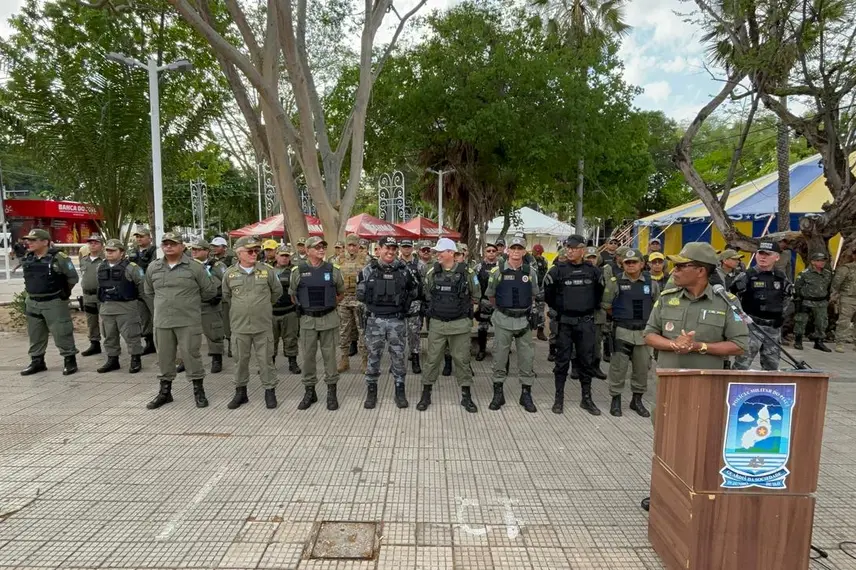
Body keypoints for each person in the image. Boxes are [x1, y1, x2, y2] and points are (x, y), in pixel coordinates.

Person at [144, 232, 218, 409]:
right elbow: (149, 291)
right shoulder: (153, 267)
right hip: (163, 322)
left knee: (191, 356)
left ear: (182, 246)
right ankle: (165, 392)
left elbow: (209, 291)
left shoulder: (195, 267)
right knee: (164, 357)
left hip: (188, 321)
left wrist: (188, 303)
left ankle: (198, 391)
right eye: (165, 244)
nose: (169, 247)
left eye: (173, 243)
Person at [543, 234, 604, 415]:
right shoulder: (557, 271)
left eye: (574, 248)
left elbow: (599, 294)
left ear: (582, 250)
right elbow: (549, 295)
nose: (570, 251)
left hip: (586, 323)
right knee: (561, 362)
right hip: (565, 323)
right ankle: (558, 398)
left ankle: (586, 398)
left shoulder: (593, 271)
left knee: (586, 361)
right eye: (568, 248)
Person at [417, 237, 480, 412]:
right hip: (438, 324)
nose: (436, 255)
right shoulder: (431, 272)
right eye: (436, 252)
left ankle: (466, 396)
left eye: (440, 252)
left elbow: (476, 295)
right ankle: (426, 394)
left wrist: (462, 310)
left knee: (462, 360)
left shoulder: (468, 273)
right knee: (432, 360)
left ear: (451, 253)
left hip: (460, 325)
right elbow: (427, 294)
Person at [357, 236, 419, 409]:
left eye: (393, 248)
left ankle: (400, 391)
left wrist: (405, 306)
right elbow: (360, 294)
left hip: (396, 320)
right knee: (373, 356)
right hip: (374, 320)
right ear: (379, 249)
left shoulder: (404, 270)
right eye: (387, 248)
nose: (390, 252)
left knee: (398, 357)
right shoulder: (368, 270)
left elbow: (415, 291)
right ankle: (371, 391)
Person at [222, 236, 283, 409]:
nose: (254, 254)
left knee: (266, 361)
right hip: (240, 326)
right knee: (240, 361)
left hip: (262, 325)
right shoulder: (229, 274)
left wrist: (261, 307)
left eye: (256, 251)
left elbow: (276, 292)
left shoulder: (267, 271)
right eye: (250, 251)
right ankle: (241, 393)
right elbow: (227, 296)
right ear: (239, 253)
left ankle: (269, 392)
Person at [484, 235, 539, 412]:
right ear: (508, 250)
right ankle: (498, 394)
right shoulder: (497, 271)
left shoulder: (530, 272)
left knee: (527, 358)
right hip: (503, 320)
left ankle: (526, 394)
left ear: (524, 251)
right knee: (500, 358)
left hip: (524, 321)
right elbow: (491, 296)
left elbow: (533, 294)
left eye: (519, 248)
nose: (516, 251)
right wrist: (503, 309)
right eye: (513, 248)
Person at [290, 236, 345, 410]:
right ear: (307, 250)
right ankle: (310, 392)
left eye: (323, 247)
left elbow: (340, 293)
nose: (321, 250)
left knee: (330, 358)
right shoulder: (297, 271)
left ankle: (331, 392)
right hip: (308, 321)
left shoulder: (333, 270)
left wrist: (328, 305)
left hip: (329, 319)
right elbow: (293, 296)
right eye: (317, 247)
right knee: (307, 358)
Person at [603, 249, 659, 417]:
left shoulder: (651, 283)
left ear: (642, 264)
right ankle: (616, 399)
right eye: (627, 262)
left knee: (642, 368)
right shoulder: (615, 282)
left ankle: (637, 400)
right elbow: (607, 306)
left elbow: (657, 307)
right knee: (618, 368)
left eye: (634, 262)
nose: (631, 265)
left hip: (644, 333)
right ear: (623, 264)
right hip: (622, 331)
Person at [19, 228, 79, 376]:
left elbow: (73, 278)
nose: (29, 243)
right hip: (33, 302)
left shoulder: (59, 258)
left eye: (33, 240)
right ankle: (37, 361)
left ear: (45, 242)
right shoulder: (29, 257)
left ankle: (69, 360)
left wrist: (64, 293)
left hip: (53, 302)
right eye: (28, 240)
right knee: (35, 334)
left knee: (62, 332)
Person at [731, 241, 793, 370]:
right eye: (760, 253)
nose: (763, 257)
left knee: (772, 368)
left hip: (773, 329)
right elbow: (732, 299)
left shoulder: (781, 277)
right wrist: (740, 319)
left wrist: (781, 315)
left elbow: (788, 297)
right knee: (741, 367)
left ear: (777, 257)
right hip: (751, 327)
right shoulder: (746, 276)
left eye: (767, 254)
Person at [96, 239, 150, 374]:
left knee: (132, 335)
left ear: (122, 253)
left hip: (127, 307)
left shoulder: (132, 268)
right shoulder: (100, 267)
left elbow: (142, 287)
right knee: (109, 336)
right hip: (107, 307)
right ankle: (112, 359)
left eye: (113, 251)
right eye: (107, 250)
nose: (109, 253)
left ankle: (135, 359)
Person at [190, 239, 227, 373]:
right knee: (188, 334)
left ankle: (217, 358)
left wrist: (219, 295)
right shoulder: (187, 265)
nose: (194, 252)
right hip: (191, 304)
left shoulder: (217, 266)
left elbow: (226, 282)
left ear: (206, 251)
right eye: (193, 249)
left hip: (210, 304)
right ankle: (186, 360)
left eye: (198, 249)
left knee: (214, 332)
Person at [336, 234, 368, 372]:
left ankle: (365, 361)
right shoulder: (339, 260)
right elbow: (335, 279)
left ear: (358, 246)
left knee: (362, 331)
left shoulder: (366, 260)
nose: (351, 248)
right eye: (349, 245)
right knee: (344, 331)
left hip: (359, 301)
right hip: (344, 300)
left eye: (354, 245)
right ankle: (344, 360)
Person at [792, 252, 833, 352]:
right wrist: (800, 298)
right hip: (806, 301)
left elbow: (829, 286)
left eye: (823, 260)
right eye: (819, 260)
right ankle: (798, 340)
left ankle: (819, 341)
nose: (822, 262)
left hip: (821, 301)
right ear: (813, 262)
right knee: (801, 321)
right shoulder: (804, 274)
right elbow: (797, 287)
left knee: (821, 322)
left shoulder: (827, 274)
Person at [128, 227, 158, 355]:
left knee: (156, 315)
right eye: (137, 237)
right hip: (137, 289)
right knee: (143, 317)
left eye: (142, 236)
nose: (139, 239)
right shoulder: (132, 252)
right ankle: (149, 342)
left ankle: (161, 342)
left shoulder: (155, 251)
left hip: (150, 288)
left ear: (149, 238)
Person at [272, 246, 301, 374]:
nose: (284, 258)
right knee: (270, 340)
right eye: (282, 255)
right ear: (276, 256)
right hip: (271, 312)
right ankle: (270, 364)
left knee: (291, 339)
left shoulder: (295, 271)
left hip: (289, 310)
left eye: (286, 256)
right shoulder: (268, 270)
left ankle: (292, 362)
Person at [398, 238, 425, 373]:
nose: (406, 249)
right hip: (399, 303)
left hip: (414, 303)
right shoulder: (395, 264)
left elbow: (424, 284)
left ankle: (415, 358)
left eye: (408, 247)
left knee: (414, 332)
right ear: (400, 248)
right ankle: (397, 361)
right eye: (404, 247)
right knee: (397, 333)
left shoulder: (420, 265)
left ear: (412, 248)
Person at [584, 247, 609, 379]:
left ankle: (595, 366)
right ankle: (578, 367)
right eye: (588, 257)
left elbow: (608, 291)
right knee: (579, 341)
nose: (591, 260)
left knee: (596, 342)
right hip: (582, 312)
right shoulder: (579, 271)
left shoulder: (604, 272)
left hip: (598, 312)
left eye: (593, 257)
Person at [79, 235, 105, 357]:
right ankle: (94, 344)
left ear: (101, 245)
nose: (92, 245)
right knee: (91, 321)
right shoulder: (84, 260)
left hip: (102, 295)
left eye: (96, 243)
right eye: (90, 243)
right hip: (88, 295)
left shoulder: (105, 260)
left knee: (107, 322)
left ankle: (112, 344)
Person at [474, 242, 500, 361]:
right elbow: (474, 281)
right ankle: (482, 350)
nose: (491, 253)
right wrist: (478, 298)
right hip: (484, 302)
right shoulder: (479, 267)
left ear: (497, 253)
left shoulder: (502, 267)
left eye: (493, 251)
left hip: (499, 303)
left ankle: (500, 351)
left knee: (501, 328)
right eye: (488, 251)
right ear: (484, 253)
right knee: (482, 328)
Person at [832, 252, 856, 352]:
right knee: (844, 322)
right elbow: (836, 283)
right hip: (848, 298)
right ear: (854, 256)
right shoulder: (846, 268)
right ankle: (840, 343)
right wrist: (835, 295)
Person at [531, 244, 549, 341]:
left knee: (541, 311)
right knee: (529, 311)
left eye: (539, 253)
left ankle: (540, 331)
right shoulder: (529, 260)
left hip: (541, 288)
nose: (538, 255)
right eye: (536, 253)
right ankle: (526, 333)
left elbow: (546, 273)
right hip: (530, 289)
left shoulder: (544, 261)